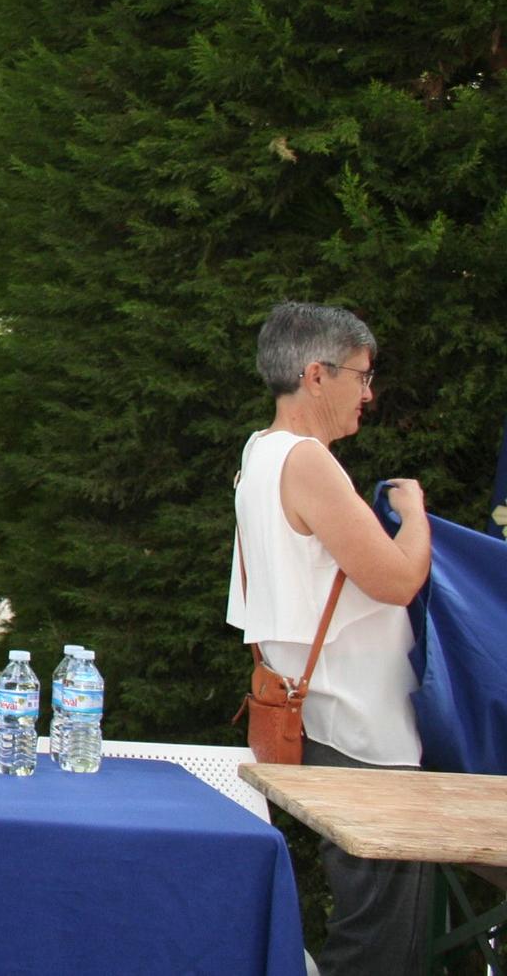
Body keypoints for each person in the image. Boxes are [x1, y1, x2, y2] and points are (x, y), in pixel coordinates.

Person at [227, 301, 434, 976]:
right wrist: (415, 514)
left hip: (312, 715)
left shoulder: (257, 453)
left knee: (368, 919)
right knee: (380, 939)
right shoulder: (309, 462)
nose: (368, 393)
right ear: (316, 375)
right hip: (361, 730)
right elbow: (398, 579)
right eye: (361, 375)